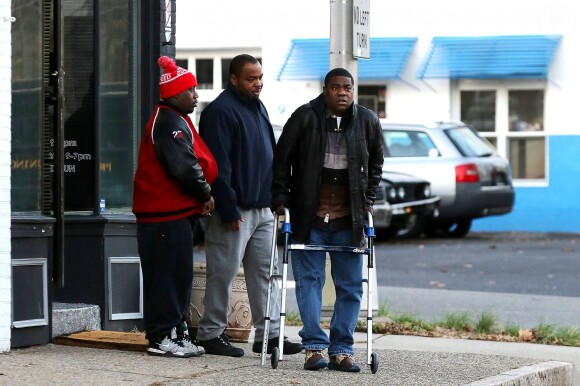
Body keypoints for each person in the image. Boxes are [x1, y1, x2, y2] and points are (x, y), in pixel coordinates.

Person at [271, 68, 384, 372]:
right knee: (310, 282)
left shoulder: (368, 121)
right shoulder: (304, 117)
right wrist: (280, 200)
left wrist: (367, 201)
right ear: (325, 90)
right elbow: (281, 161)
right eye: (336, 87)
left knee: (350, 286)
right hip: (310, 217)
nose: (343, 92)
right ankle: (314, 348)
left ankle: (343, 350)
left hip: (349, 220)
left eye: (347, 87)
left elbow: (376, 165)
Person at [196, 54, 302, 357]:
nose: (258, 84)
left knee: (266, 275)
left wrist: (275, 200)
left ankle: (269, 336)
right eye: (250, 79)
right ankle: (210, 334)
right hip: (235, 211)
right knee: (223, 273)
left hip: (262, 209)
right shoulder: (219, 111)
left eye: (260, 78)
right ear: (233, 79)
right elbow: (218, 165)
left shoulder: (257, 106)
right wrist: (228, 208)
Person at [132, 56, 217, 358]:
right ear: (174, 92)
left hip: (174, 214)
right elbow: (183, 166)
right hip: (164, 216)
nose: (196, 95)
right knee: (167, 278)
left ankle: (176, 332)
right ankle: (162, 337)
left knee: (177, 276)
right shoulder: (168, 121)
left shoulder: (173, 118)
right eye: (191, 89)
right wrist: (205, 193)